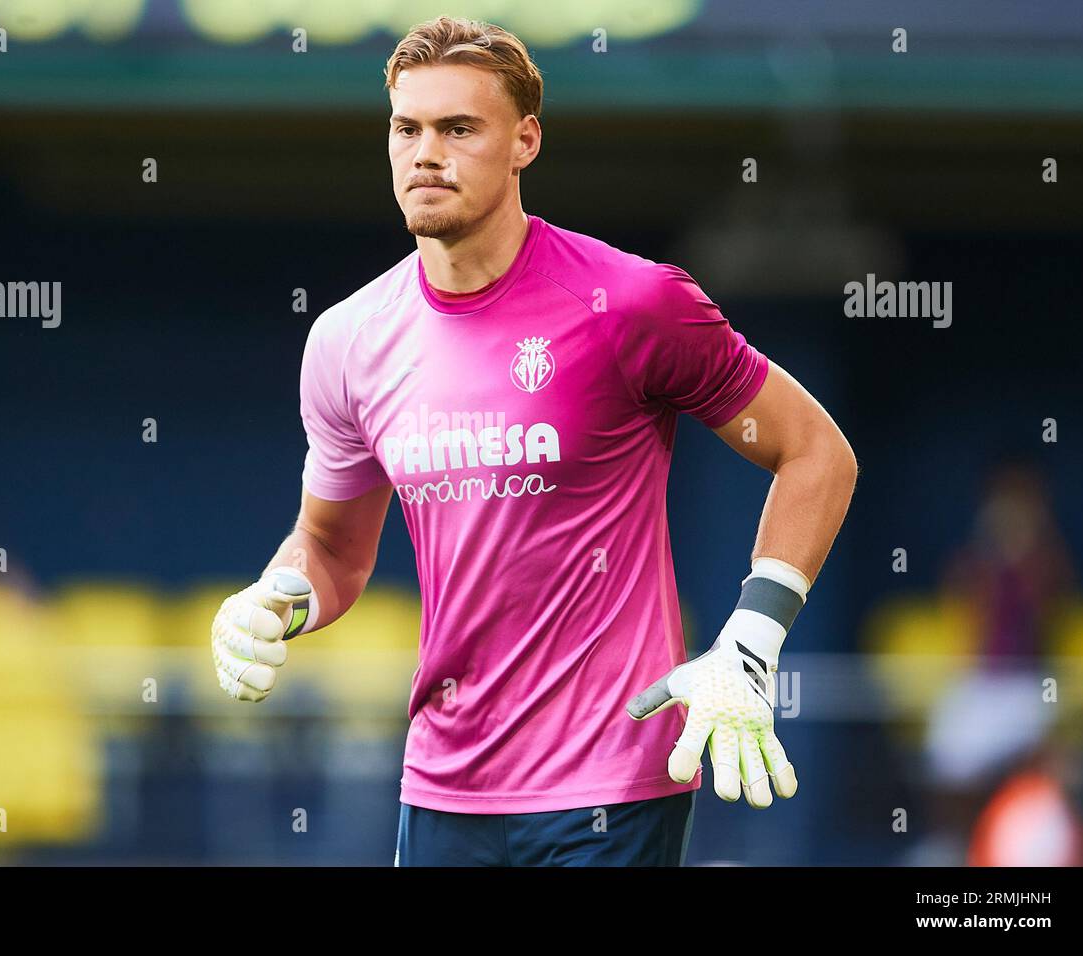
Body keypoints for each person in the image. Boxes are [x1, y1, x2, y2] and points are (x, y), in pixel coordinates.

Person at [211, 16, 857, 866]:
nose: (425, 152)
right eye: (407, 129)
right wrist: (276, 599)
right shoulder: (347, 340)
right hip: (444, 784)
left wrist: (751, 640)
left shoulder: (633, 303)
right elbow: (333, 547)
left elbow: (816, 452)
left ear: (525, 141)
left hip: (611, 784)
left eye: (458, 129)